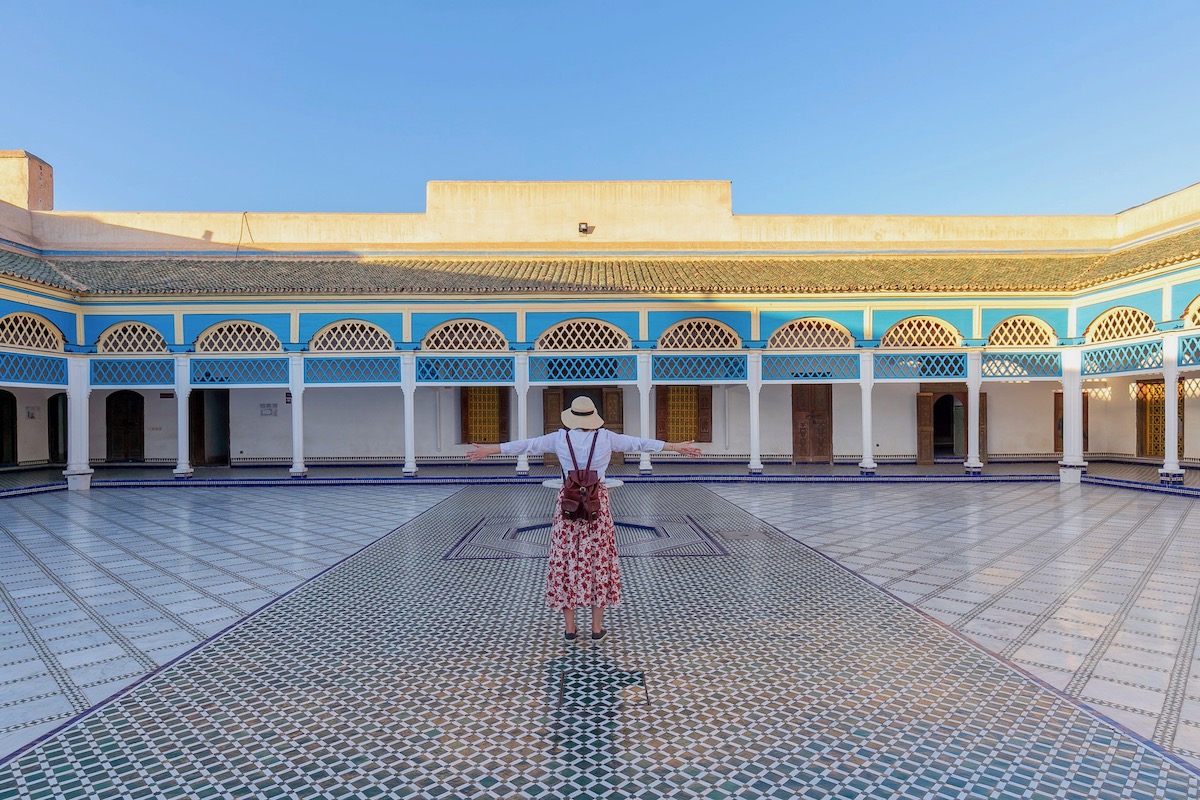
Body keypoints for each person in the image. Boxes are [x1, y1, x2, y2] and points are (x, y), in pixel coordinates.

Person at [467, 396, 702, 642]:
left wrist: (489, 449)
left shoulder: (559, 438)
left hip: (567, 505)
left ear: (571, 417)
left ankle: (570, 629)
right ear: (593, 417)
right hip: (596, 504)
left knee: (566, 561)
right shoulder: (607, 437)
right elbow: (639, 444)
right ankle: (596, 628)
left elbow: (526, 445)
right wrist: (675, 446)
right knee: (598, 562)